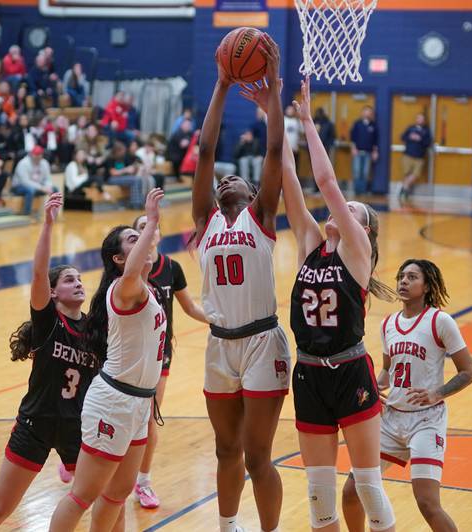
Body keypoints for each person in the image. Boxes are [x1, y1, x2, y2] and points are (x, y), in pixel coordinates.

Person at [245, 75, 397, 532]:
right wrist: (276, 118)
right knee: (319, 496)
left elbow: (326, 180)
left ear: (364, 231)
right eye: (343, 207)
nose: (343, 208)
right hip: (310, 373)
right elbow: (289, 176)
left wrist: (307, 119)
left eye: (355, 211)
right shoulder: (312, 242)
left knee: (368, 485)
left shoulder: (357, 253)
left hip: (351, 370)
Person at [192, 35, 289, 532]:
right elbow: (205, 149)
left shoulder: (262, 217)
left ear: (252, 194)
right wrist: (222, 85)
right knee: (224, 449)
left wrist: (272, 92)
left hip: (261, 341)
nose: (225, 178)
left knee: (257, 456)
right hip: (219, 344)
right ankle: (228, 527)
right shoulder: (206, 220)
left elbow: (274, 149)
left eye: (237, 180)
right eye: (221, 179)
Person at [0, 193, 98, 531]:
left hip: (77, 428)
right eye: (69, 279)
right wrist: (48, 225)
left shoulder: (95, 328)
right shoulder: (49, 323)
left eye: (80, 278)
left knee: (103, 503)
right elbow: (40, 273)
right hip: (35, 425)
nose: (78, 282)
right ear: (54, 293)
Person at [48, 189, 167, 531]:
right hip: (114, 401)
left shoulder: (150, 290)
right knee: (83, 495)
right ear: (119, 258)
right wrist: (153, 221)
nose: (144, 239)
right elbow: (131, 275)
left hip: (139, 404)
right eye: (134, 238)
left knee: (117, 496)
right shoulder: (123, 288)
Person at [342, 259, 472, 532]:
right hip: (391, 419)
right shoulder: (389, 324)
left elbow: (468, 372)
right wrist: (370, 387)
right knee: (352, 491)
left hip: (426, 422)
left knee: (427, 503)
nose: (403, 281)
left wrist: (437, 393)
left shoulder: (440, 321)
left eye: (412, 277)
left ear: (427, 286)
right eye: (402, 276)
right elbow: (388, 373)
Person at [126, 214, 208, 508]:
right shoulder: (127, 269)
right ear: (133, 236)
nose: (150, 230)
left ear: (159, 234)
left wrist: (220, 321)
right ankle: (80, 459)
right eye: (142, 226)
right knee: (122, 417)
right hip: (127, 353)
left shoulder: (172, 268)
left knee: (149, 419)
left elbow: (189, 306)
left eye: (154, 225)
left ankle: (143, 483)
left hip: (160, 354)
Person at [11, 146, 57, 216]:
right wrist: (41, 188)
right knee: (30, 190)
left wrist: (48, 187)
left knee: (55, 189)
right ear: (31, 154)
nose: (37, 156)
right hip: (19, 187)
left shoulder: (45, 163)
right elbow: (25, 182)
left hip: (38, 186)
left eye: (39, 154)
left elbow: (47, 179)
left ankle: (53, 213)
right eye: (36, 154)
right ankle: (27, 213)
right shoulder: (23, 163)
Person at [400, 113, 432, 200]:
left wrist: (420, 139)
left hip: (419, 157)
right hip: (408, 155)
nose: (419, 120)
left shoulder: (426, 131)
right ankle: (405, 192)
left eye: (421, 119)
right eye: (418, 118)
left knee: (416, 175)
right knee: (406, 174)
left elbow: (428, 143)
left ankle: (403, 188)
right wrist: (410, 137)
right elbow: (402, 137)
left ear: (424, 120)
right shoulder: (410, 128)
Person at [350, 106, 379, 195]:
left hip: (368, 152)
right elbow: (353, 137)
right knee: (357, 171)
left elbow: (375, 140)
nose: (367, 114)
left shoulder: (373, 125)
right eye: (365, 111)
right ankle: (356, 191)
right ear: (362, 113)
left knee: (366, 172)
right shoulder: (357, 124)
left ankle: (363, 191)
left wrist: (375, 152)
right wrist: (353, 148)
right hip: (358, 151)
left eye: (369, 112)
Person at [284, 104, 302, 168]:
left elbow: (302, 131)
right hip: (285, 150)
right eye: (289, 110)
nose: (290, 111)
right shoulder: (283, 120)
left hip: (294, 149)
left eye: (291, 110)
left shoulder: (297, 121)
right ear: (286, 111)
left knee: (294, 167)